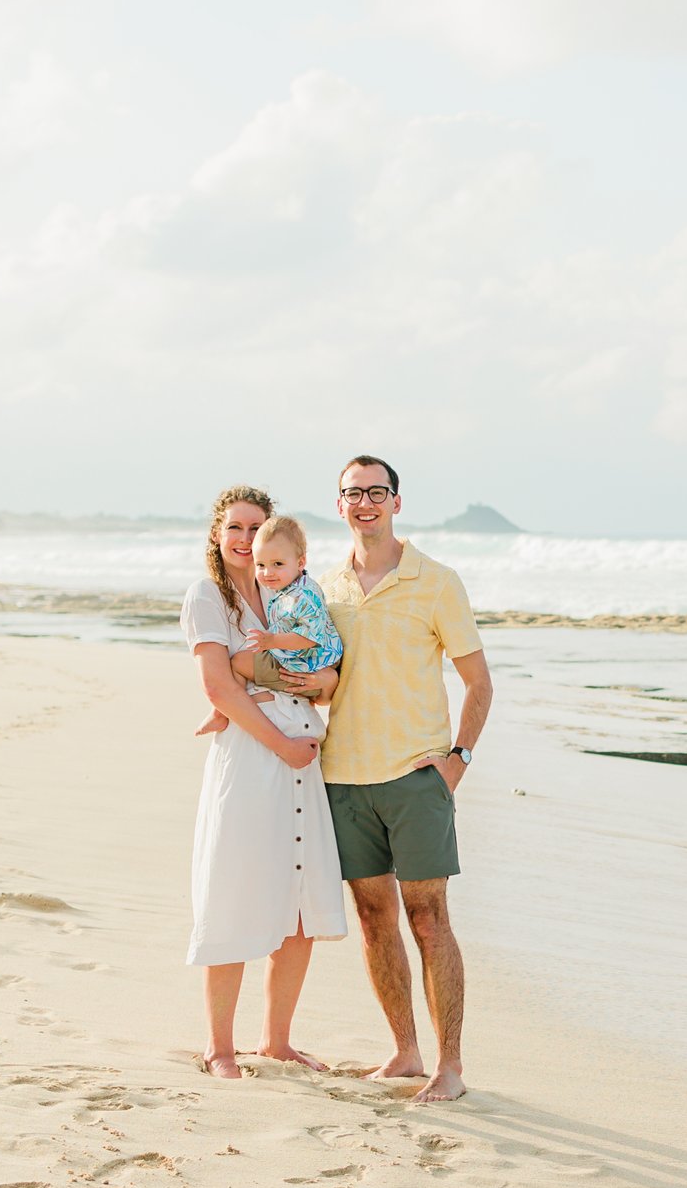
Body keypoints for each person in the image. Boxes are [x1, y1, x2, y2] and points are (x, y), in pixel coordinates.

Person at [295, 454, 490, 1103]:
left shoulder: (436, 581)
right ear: (341, 503)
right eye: (354, 493)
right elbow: (321, 680)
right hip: (344, 780)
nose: (365, 503)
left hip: (415, 779)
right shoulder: (321, 588)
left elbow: (478, 682)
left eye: (377, 491)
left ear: (397, 502)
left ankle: (450, 1065)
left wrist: (457, 757)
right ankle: (406, 1051)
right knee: (375, 918)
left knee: (429, 918)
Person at [180, 486, 346, 1079]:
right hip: (254, 762)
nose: (248, 541)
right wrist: (280, 743)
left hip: (301, 760)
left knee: (297, 904)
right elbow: (219, 687)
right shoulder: (209, 598)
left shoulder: (288, 595)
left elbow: (328, 676)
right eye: (237, 529)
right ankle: (219, 1048)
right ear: (217, 536)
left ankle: (276, 1041)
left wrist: (302, 687)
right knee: (233, 894)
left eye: (258, 529)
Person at [195, 514, 341, 736]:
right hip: (306, 663)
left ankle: (220, 713)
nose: (267, 572)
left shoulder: (302, 596)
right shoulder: (287, 588)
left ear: (301, 562)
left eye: (277, 564)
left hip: (307, 663)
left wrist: (272, 641)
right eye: (260, 565)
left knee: (239, 662)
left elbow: (310, 637)